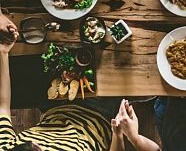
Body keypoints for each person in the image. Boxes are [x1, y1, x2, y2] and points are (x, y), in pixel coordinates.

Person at [0, 12, 126, 151]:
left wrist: (3, 52)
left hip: (55, 108)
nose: (37, 143)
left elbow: (2, 108)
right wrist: (118, 135)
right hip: (98, 115)